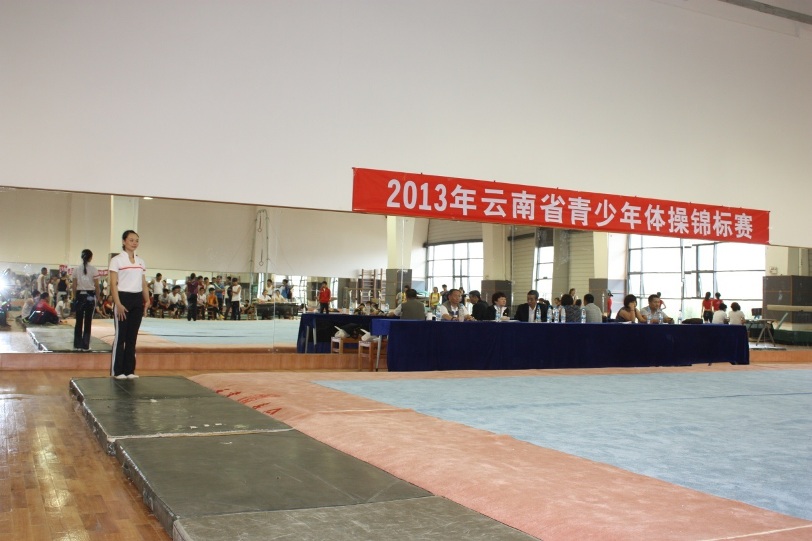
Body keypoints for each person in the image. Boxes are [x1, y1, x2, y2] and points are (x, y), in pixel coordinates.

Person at [109, 230, 150, 379]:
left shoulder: (141, 261)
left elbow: (143, 283)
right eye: (131, 240)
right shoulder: (117, 260)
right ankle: (117, 371)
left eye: (136, 240)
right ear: (124, 241)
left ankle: (129, 370)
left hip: (137, 299)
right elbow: (113, 284)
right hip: (123, 298)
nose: (134, 243)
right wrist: (118, 303)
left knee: (132, 337)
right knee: (121, 337)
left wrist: (147, 300)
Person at [72, 248, 100, 350]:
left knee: (78, 321)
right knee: (88, 321)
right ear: (91, 258)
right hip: (90, 296)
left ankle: (77, 344)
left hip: (80, 295)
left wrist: (74, 297)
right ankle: (85, 344)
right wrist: (98, 297)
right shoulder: (94, 269)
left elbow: (74, 286)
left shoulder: (76, 269)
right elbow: (97, 286)